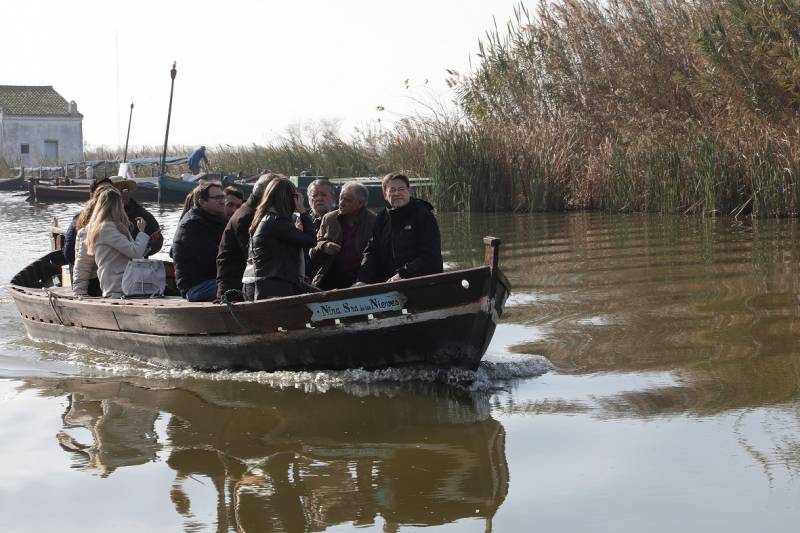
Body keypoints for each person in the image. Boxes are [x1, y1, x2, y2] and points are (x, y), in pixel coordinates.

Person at [357, 172, 443, 284]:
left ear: (409, 191)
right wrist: (362, 279)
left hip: (421, 281)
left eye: (401, 189)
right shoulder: (381, 218)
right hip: (388, 284)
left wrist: (402, 274)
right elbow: (371, 252)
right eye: (392, 190)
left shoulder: (423, 215)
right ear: (385, 195)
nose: (397, 193)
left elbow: (430, 256)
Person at [246, 178, 317, 300]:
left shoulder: (265, 218)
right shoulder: (277, 222)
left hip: (264, 284)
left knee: (324, 297)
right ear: (291, 198)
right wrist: (303, 211)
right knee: (326, 300)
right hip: (275, 287)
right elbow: (311, 240)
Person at [216, 173, 280, 302]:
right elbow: (254, 256)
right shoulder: (247, 217)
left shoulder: (250, 212)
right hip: (235, 288)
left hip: (246, 282)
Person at [85, 187, 151, 298]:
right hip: (118, 288)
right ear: (116, 205)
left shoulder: (110, 226)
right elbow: (135, 252)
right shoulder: (107, 228)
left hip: (122, 285)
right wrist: (142, 232)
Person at [310, 181, 376, 290]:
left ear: (360, 204)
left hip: (361, 282)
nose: (341, 203)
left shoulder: (373, 222)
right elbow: (313, 251)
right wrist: (324, 246)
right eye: (341, 198)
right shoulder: (329, 219)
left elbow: (376, 255)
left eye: (348, 200)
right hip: (329, 281)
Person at [171, 181, 227, 301]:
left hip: (212, 281)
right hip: (196, 286)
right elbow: (212, 258)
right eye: (217, 198)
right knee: (241, 287)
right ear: (202, 202)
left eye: (223, 197)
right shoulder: (192, 224)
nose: (222, 201)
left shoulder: (217, 220)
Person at [63, 177, 114, 275]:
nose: (107, 194)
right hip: (87, 276)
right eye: (102, 191)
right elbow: (69, 253)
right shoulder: (80, 219)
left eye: (110, 190)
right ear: (93, 195)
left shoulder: (116, 217)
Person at [72, 184, 114, 296]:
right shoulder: (88, 230)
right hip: (95, 283)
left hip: (110, 281)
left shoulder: (115, 224)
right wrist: (80, 293)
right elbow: (82, 265)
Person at [113, 177, 163, 256]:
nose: (123, 193)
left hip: (136, 265)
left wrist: (155, 242)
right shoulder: (102, 217)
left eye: (125, 190)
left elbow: (155, 245)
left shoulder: (142, 214)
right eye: (118, 191)